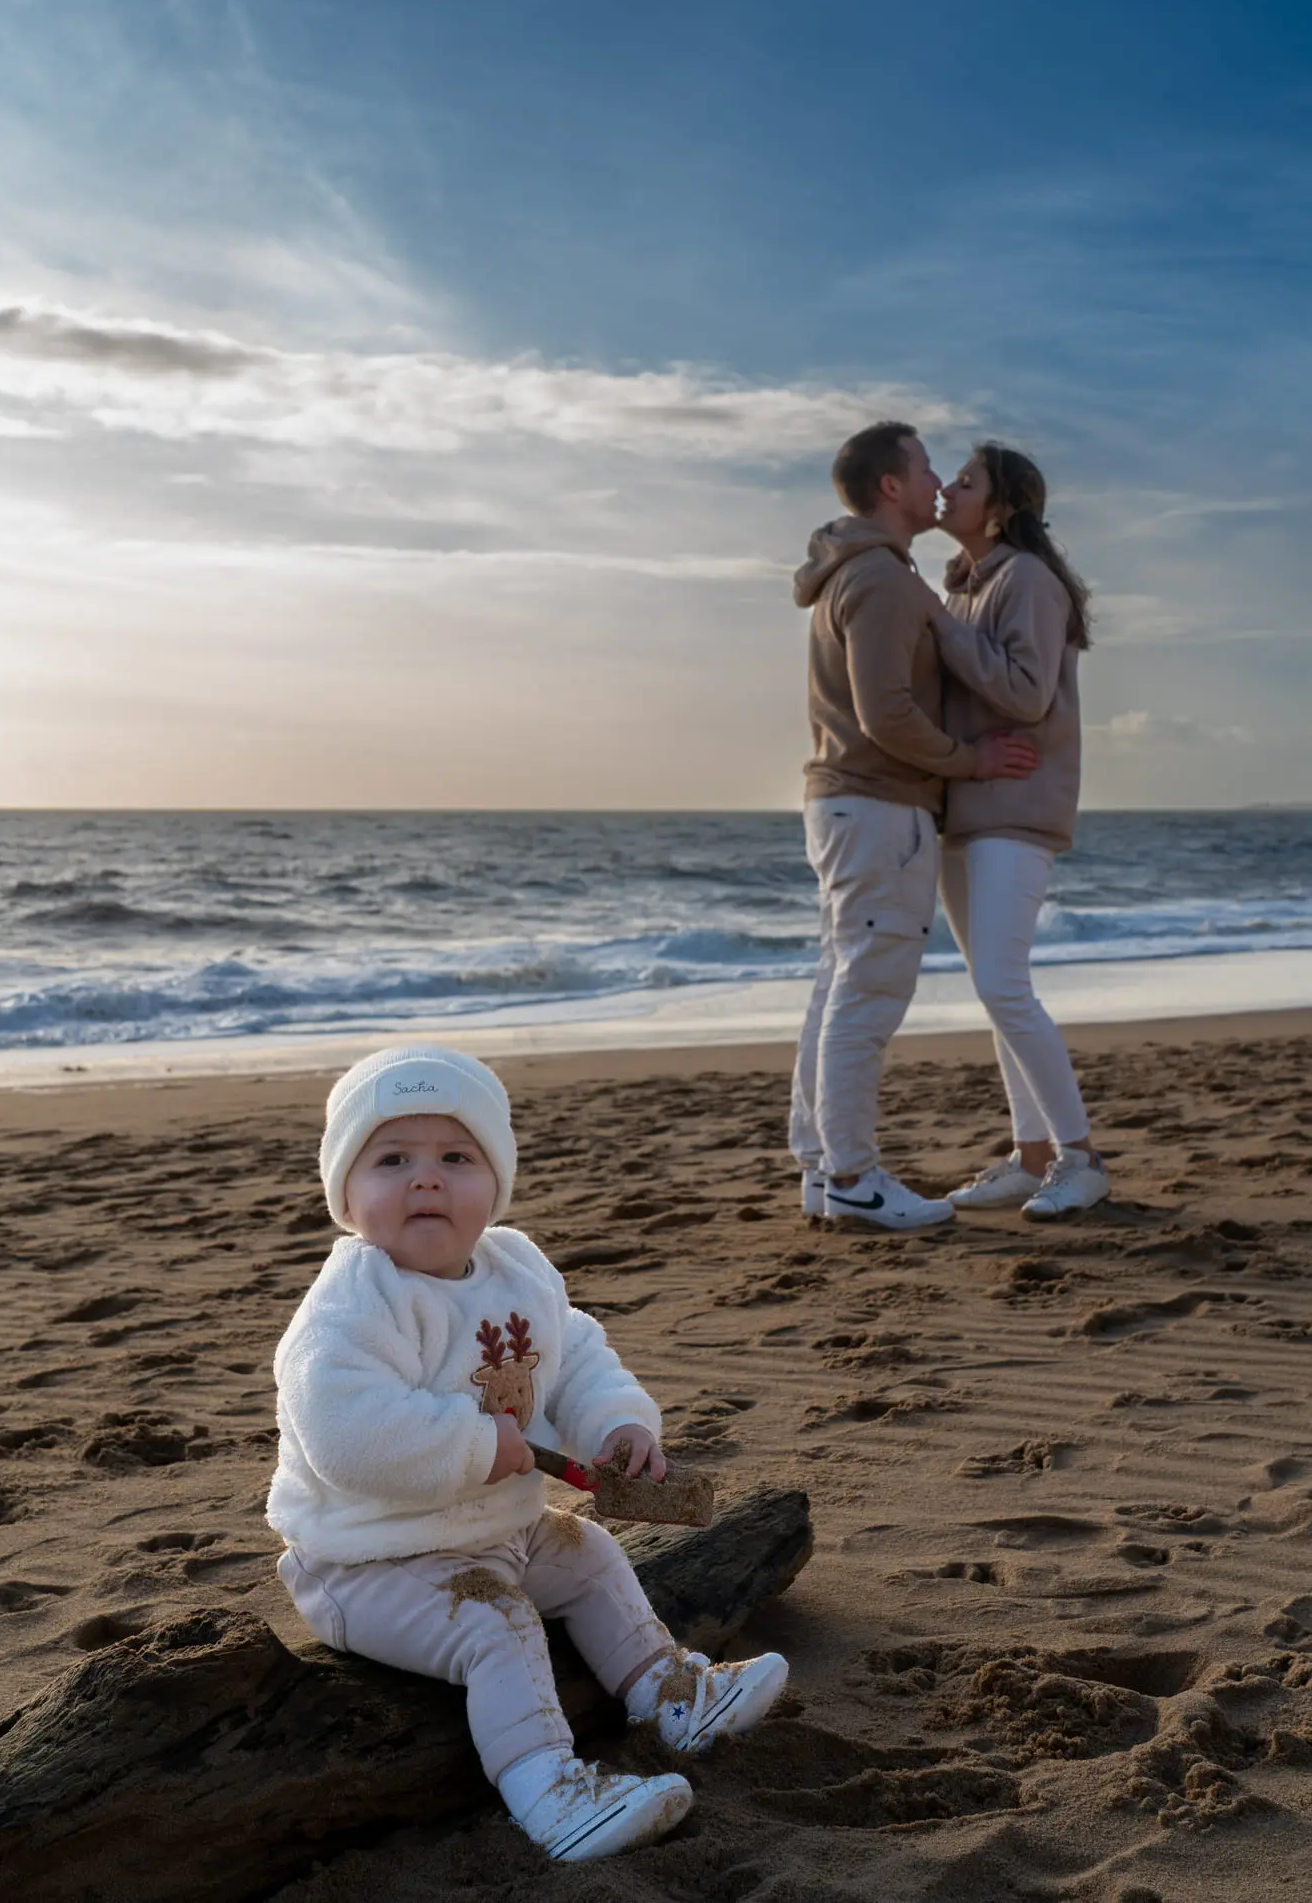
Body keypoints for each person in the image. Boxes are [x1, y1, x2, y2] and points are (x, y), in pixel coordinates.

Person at [267, 1044, 789, 1864]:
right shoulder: (350, 1304)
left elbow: (573, 1357)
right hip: (366, 1559)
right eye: (391, 1158)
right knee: (496, 1620)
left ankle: (669, 1689)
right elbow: (347, 1434)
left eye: (456, 1156)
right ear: (344, 1192)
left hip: (494, 1528)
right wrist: (475, 1444)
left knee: (587, 1548)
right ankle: (547, 1786)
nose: (426, 1178)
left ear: (496, 1181)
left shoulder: (518, 1266)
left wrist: (616, 1424)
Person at [790, 421, 1038, 1230]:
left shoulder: (861, 572)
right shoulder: (883, 581)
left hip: (852, 802)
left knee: (840, 985)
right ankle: (853, 1176)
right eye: (924, 466)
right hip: (878, 804)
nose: (936, 481)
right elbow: (886, 712)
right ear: (889, 487)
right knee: (865, 992)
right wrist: (969, 759)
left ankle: (825, 1171)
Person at [928, 442, 1110, 1219]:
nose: (945, 488)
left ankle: (1079, 1156)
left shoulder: (1026, 580)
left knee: (1005, 983)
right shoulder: (968, 585)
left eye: (964, 482)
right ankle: (1029, 1153)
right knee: (993, 989)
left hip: (1017, 804)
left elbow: (1028, 693)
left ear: (998, 507)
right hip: (965, 808)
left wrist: (938, 625)